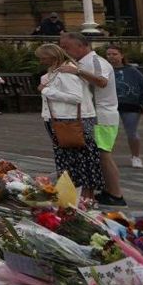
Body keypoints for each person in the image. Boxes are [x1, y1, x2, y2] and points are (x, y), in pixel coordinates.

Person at [58, 32, 125, 206]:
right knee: (98, 154)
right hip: (93, 115)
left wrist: (78, 71)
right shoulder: (81, 62)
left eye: (68, 47)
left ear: (81, 46)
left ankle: (116, 194)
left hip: (103, 114)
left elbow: (102, 81)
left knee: (103, 154)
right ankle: (109, 191)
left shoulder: (96, 61)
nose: (66, 51)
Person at [37, 43, 102, 198]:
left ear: (52, 57)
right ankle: (71, 194)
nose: (40, 61)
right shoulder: (55, 72)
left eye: (42, 58)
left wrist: (46, 90)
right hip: (58, 119)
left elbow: (75, 97)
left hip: (70, 120)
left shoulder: (66, 72)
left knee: (81, 159)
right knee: (67, 160)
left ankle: (84, 197)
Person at [107, 46, 143, 169]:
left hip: (131, 106)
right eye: (109, 54)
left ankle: (136, 157)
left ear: (121, 55)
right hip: (110, 106)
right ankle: (107, 158)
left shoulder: (132, 71)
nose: (111, 57)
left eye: (114, 54)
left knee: (132, 133)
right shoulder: (105, 70)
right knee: (109, 133)